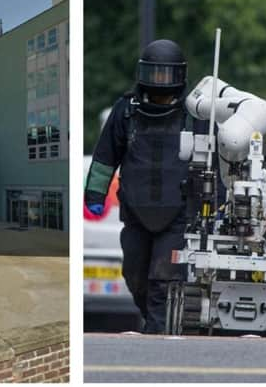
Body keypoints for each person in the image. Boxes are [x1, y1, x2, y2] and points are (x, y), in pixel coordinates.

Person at [84, 39, 192, 334]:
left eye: (165, 75)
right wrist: (94, 194)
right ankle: (155, 321)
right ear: (143, 74)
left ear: (178, 76)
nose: (159, 81)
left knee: (163, 278)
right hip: (135, 212)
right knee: (135, 276)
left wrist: (217, 204)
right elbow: (106, 156)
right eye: (154, 74)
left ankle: (158, 334)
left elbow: (214, 163)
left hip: (177, 216)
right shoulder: (126, 111)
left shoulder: (194, 114)